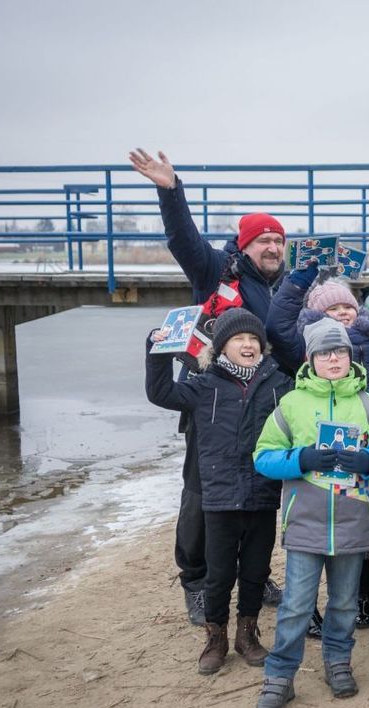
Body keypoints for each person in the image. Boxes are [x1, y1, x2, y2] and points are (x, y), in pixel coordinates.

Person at [128, 148, 288, 625]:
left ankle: (249, 573)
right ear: (245, 245)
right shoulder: (216, 269)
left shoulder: (285, 287)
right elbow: (183, 238)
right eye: (264, 242)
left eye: (279, 242)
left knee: (257, 490)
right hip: (211, 400)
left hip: (259, 402)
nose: (274, 249)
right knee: (201, 494)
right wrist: (170, 190)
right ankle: (195, 581)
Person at [252, 318, 369, 708]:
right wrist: (300, 459)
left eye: (339, 351)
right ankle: (280, 677)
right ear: (310, 358)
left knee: (343, 605)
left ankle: (338, 662)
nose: (333, 359)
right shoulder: (291, 404)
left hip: (354, 524)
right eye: (324, 353)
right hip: (305, 524)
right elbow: (263, 455)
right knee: (297, 606)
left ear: (350, 356)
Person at [144, 308, 290, 674]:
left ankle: (247, 635)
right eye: (239, 339)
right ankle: (216, 638)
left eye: (254, 340)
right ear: (222, 346)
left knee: (256, 569)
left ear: (262, 347)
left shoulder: (279, 384)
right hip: (219, 496)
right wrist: (155, 350)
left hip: (261, 493)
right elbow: (160, 392)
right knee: (219, 573)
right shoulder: (203, 383)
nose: (247, 345)